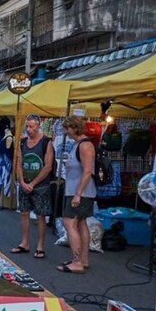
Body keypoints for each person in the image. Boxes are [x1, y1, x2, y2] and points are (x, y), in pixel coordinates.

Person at [12, 114, 55, 259]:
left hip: (40, 185)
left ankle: (40, 246)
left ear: (38, 126)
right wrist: (22, 181)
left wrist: (33, 183)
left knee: (40, 215)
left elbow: (48, 166)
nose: (29, 129)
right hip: (25, 182)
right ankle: (25, 243)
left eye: (32, 126)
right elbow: (19, 162)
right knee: (24, 212)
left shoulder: (46, 142)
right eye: (27, 126)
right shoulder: (22, 142)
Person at [58, 116, 96, 274]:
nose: (66, 132)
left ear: (75, 127)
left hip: (80, 192)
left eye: (68, 128)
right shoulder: (80, 144)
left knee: (69, 223)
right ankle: (83, 260)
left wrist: (78, 194)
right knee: (80, 223)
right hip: (78, 191)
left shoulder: (85, 145)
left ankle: (77, 261)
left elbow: (88, 171)